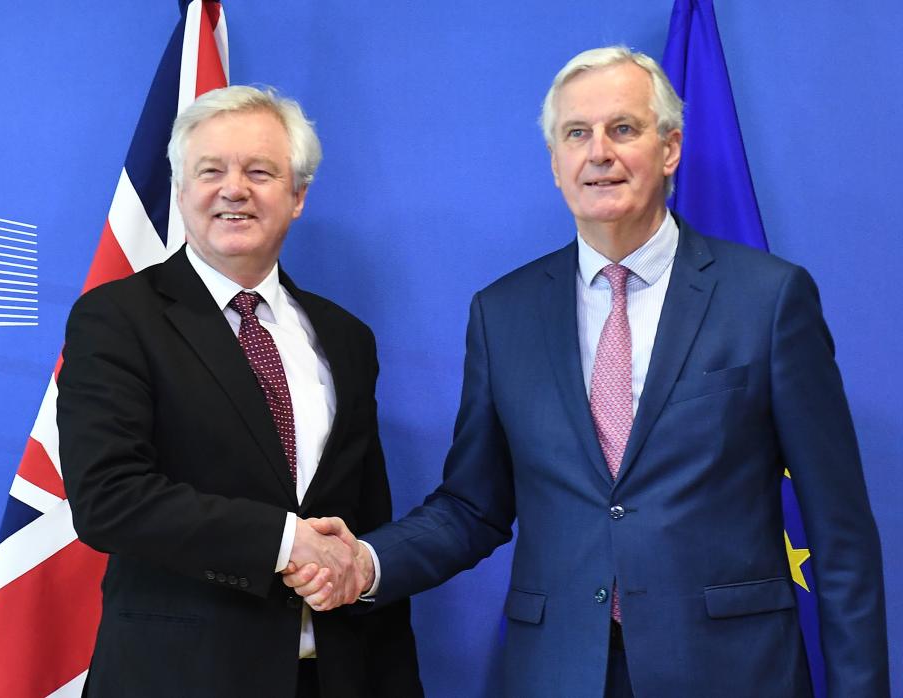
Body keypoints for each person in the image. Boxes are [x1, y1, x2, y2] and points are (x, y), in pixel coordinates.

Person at [284, 47, 890, 697]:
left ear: (671, 148)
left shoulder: (768, 300)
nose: (598, 151)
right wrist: (367, 561)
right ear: (555, 162)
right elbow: (472, 507)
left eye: (623, 129)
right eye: (577, 133)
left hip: (731, 672)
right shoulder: (503, 313)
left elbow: (841, 533)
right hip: (557, 671)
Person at [57, 85, 422, 698]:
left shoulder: (346, 337)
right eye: (211, 171)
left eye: (259, 171)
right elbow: (107, 498)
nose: (234, 189)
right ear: (180, 190)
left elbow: (363, 522)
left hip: (333, 677)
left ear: (298, 195)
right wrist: (285, 541)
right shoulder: (117, 318)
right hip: (178, 679)